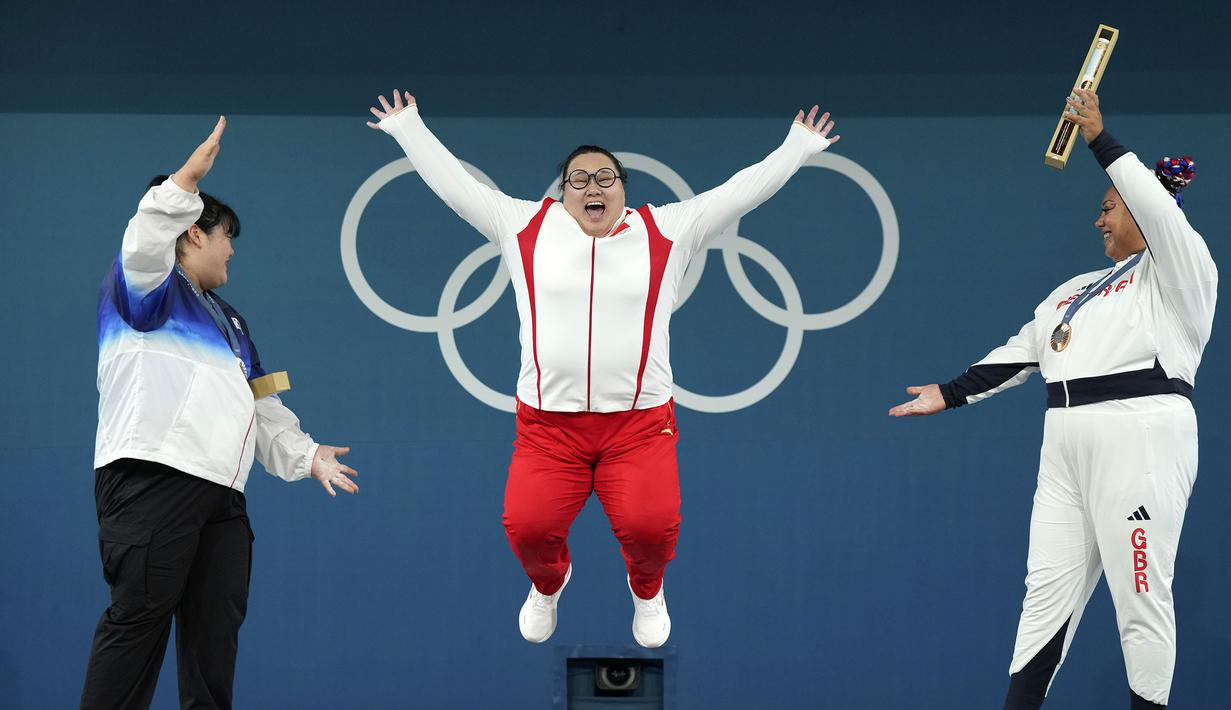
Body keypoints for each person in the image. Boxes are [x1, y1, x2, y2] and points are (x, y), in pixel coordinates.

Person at [366, 89, 840, 647]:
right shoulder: (522, 227)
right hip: (548, 428)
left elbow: (739, 192)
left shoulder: (668, 229)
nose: (593, 185)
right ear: (562, 192)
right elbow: (455, 185)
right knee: (528, 529)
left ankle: (647, 590)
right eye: (578, 178)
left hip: (638, 427)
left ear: (624, 190)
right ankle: (549, 584)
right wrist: (409, 129)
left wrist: (796, 148)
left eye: (605, 177)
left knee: (651, 529)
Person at [889, 88, 1214, 709]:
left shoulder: (1182, 272)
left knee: (1141, 598)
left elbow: (1160, 213)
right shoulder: (1075, 290)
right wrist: (950, 394)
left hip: (1140, 434)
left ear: (1146, 211)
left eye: (1109, 208)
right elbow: (1024, 350)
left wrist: (1099, 138)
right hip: (1064, 444)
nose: (1098, 220)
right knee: (1045, 597)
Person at [82, 117, 360, 709]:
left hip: (222, 495)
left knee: (215, 644)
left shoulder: (230, 322)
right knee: (138, 625)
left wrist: (306, 456)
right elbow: (144, 236)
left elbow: (261, 404)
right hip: (155, 478)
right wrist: (185, 182)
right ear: (191, 234)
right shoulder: (145, 285)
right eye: (225, 234)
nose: (233, 248)